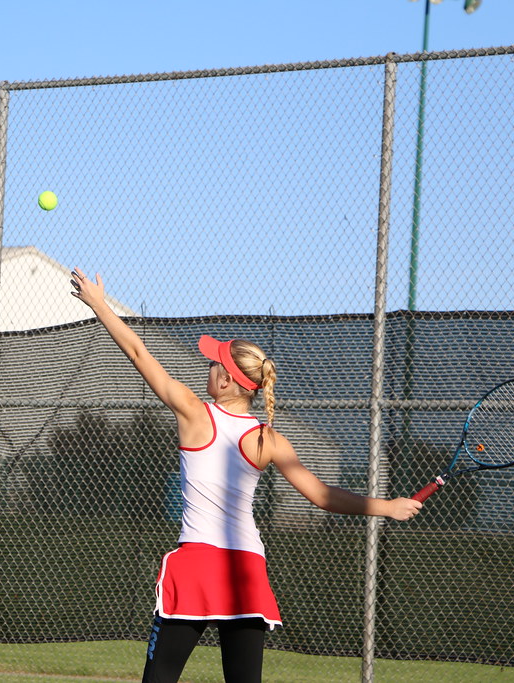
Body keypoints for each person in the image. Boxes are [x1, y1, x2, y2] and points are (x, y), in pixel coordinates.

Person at [69, 268, 422, 683]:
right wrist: (388, 507)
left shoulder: (194, 412)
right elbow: (323, 496)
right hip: (245, 568)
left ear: (225, 380)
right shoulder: (268, 439)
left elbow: (137, 353)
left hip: (199, 563)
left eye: (214, 362)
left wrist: (98, 305)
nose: (209, 366)